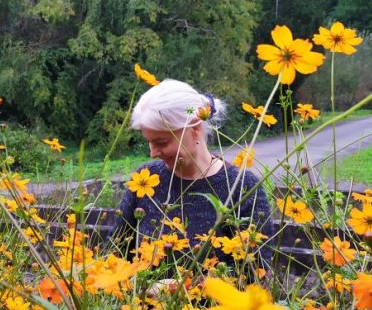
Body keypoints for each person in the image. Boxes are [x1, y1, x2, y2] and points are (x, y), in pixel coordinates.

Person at [110, 79, 272, 274]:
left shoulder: (243, 187)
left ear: (195, 129)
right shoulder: (144, 179)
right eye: (149, 142)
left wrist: (179, 289)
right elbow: (114, 256)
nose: (153, 152)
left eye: (161, 142)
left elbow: (255, 274)